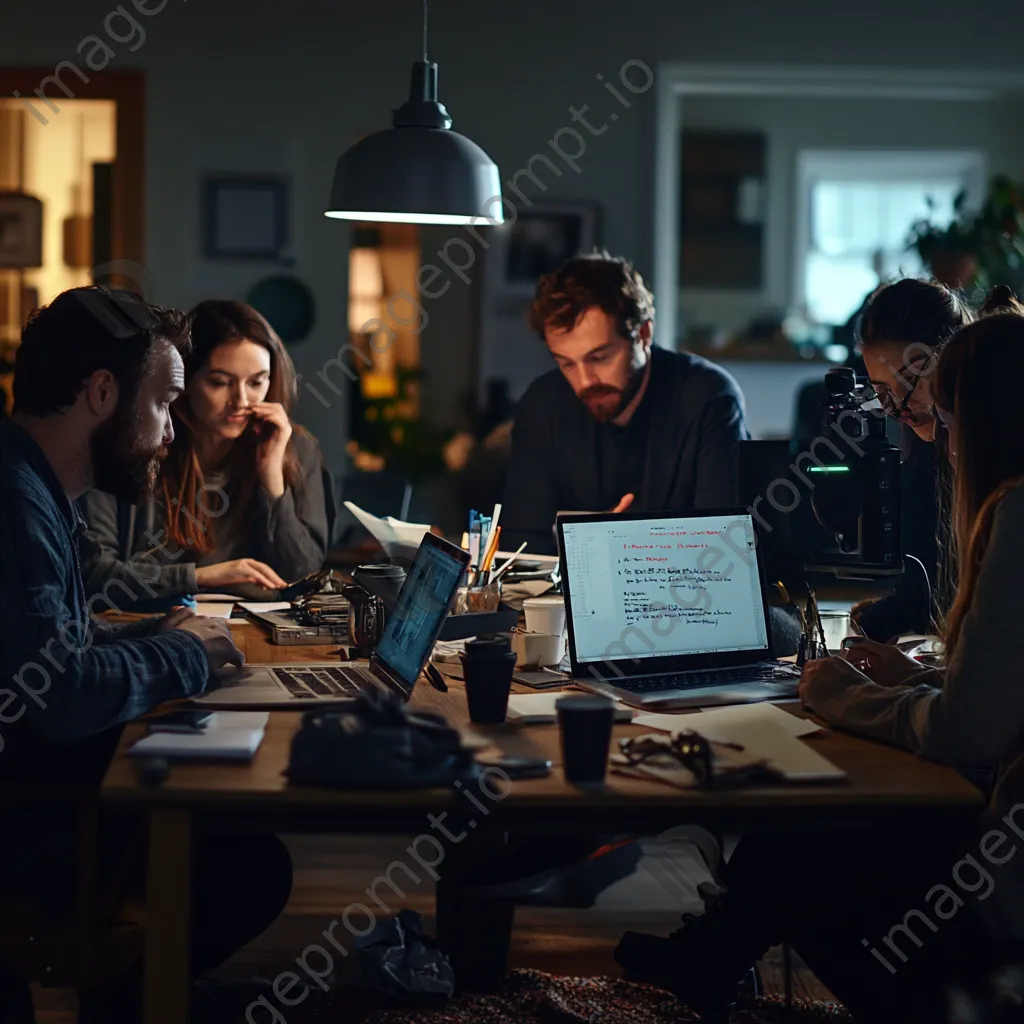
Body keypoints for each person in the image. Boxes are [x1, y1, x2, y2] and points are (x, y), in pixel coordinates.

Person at [615, 307, 1024, 1022]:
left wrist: (842, 694)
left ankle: (722, 965)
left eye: (950, 424)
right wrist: (917, 679)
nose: (947, 449)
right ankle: (709, 960)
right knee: (803, 833)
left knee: (810, 836)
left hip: (1000, 884)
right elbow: (1002, 695)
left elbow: (970, 734)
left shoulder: (1017, 517)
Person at [0, 287, 291, 1021]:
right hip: (31, 819)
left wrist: (167, 634)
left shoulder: (32, 484)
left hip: (40, 788)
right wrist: (186, 658)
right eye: (163, 403)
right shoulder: (16, 503)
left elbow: (59, 644)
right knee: (250, 866)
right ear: (101, 393)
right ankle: (131, 1007)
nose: (168, 432)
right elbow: (59, 695)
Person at [79, 299, 329, 611]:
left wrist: (271, 477)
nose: (240, 400)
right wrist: (201, 577)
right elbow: (93, 575)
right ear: (183, 380)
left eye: (256, 382)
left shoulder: (293, 447)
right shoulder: (138, 444)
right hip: (144, 630)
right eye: (219, 382)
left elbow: (301, 575)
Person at [501, 252, 748, 555]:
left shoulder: (709, 398)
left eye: (600, 357)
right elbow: (521, 542)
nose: (584, 381)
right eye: (566, 363)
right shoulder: (542, 405)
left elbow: (724, 542)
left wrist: (621, 544)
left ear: (643, 334)